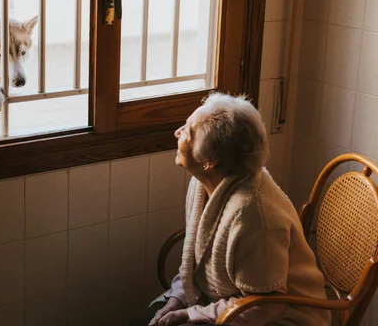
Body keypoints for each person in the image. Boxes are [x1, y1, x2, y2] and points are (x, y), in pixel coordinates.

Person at [132, 93, 330, 326]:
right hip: (225, 300)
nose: (178, 132)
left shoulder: (255, 213)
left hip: (280, 317)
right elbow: (198, 263)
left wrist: (191, 314)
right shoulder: (205, 181)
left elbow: (265, 305)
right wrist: (177, 298)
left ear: (209, 161)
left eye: (187, 131)